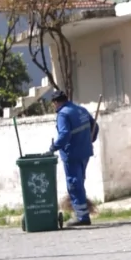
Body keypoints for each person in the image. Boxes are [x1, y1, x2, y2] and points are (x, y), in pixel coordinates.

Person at [47, 90, 99, 227]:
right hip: (85, 152)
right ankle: (82, 213)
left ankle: (82, 217)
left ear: (56, 102)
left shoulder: (63, 114)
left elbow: (64, 134)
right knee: (79, 183)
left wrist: (53, 147)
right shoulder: (81, 110)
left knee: (74, 185)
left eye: (53, 103)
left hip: (72, 154)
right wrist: (90, 140)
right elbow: (95, 126)